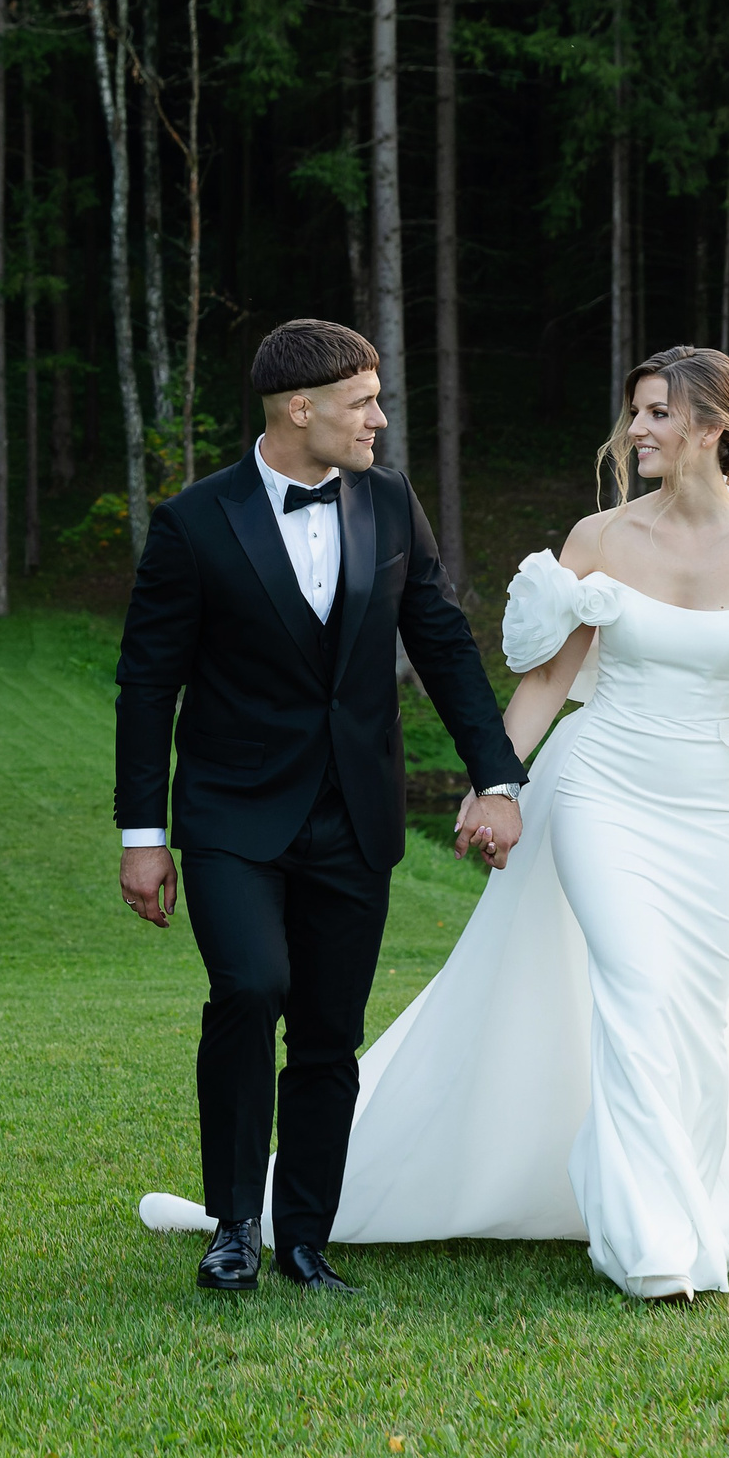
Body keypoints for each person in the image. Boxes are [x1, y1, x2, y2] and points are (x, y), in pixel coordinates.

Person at [140, 346, 729, 1300]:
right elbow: (548, 679)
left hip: (713, 808)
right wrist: (495, 782)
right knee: (637, 992)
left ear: (714, 428)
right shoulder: (598, 538)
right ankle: (647, 1242)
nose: (634, 428)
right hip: (603, 793)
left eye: (655, 412)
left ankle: (688, 1203)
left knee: (698, 1018)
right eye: (635, 410)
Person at [114, 318, 529, 1293]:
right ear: (300, 408)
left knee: (329, 1032)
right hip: (231, 815)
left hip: (356, 811)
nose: (379, 420)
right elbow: (147, 685)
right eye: (363, 403)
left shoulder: (389, 502)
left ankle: (303, 1238)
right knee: (249, 989)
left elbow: (442, 642)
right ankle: (232, 1224)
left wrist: (498, 778)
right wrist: (143, 835)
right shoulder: (193, 522)